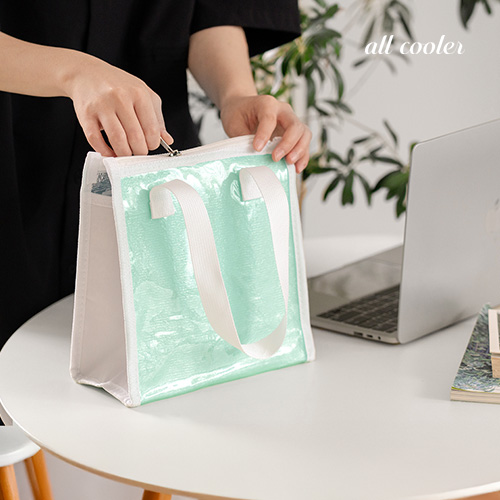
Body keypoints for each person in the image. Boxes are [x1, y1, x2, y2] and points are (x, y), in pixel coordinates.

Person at [0, 1, 312, 353]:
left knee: (162, 351)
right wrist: (73, 72)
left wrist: (236, 94)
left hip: (153, 181)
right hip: (14, 171)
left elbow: (215, 10)